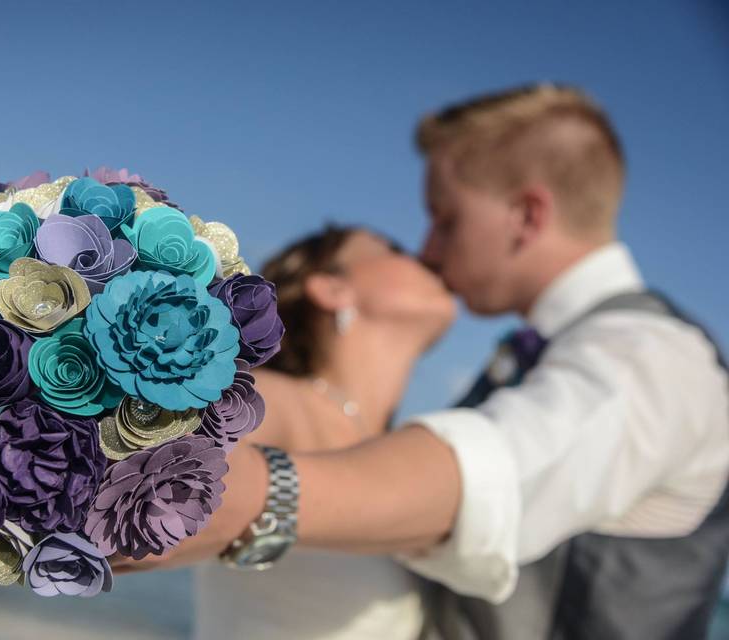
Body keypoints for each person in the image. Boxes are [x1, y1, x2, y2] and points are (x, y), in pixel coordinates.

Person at [115, 84, 729, 640]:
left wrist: (261, 501)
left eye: (445, 218)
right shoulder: (291, 402)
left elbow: (500, 471)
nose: (431, 249)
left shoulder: (651, 356)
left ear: (529, 216)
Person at [194, 225, 455, 639]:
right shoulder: (269, 398)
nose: (428, 258)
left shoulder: (406, 446)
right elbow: (172, 479)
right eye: (395, 247)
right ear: (332, 288)